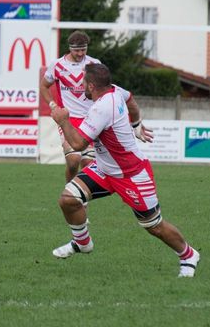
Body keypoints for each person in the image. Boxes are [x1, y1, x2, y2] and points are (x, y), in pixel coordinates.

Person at [50, 63, 200, 277]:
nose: (81, 85)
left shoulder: (101, 108)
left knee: (154, 225)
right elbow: (131, 100)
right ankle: (82, 243)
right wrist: (137, 123)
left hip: (131, 174)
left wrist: (63, 120)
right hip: (105, 170)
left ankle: (188, 255)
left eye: (83, 82)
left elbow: (79, 144)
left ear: (91, 86)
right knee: (68, 199)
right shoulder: (115, 90)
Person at [40, 31, 101, 182]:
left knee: (88, 163)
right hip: (69, 120)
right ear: (70, 48)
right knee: (73, 161)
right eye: (76, 50)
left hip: (90, 120)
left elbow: (103, 89)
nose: (80, 53)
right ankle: (70, 189)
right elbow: (43, 86)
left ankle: (80, 198)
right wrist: (53, 105)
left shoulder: (94, 64)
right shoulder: (57, 65)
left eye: (83, 49)